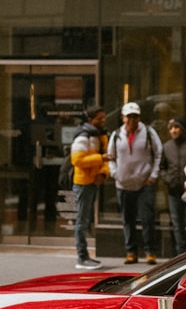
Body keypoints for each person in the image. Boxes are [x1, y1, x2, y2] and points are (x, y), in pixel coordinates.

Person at [108, 101, 163, 265]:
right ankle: (131, 251)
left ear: (139, 117)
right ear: (123, 117)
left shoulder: (148, 132)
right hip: (123, 184)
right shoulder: (116, 134)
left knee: (147, 219)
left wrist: (153, 176)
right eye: (129, 116)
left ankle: (150, 252)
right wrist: (115, 173)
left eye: (135, 116)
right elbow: (110, 156)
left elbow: (158, 154)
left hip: (144, 183)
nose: (132, 120)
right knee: (127, 219)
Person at [70, 105, 109, 270]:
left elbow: (104, 160)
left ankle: (85, 256)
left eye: (103, 117)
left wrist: (103, 174)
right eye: (99, 118)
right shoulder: (84, 136)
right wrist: (100, 158)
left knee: (85, 220)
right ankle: (82, 257)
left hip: (92, 181)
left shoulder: (99, 135)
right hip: (83, 183)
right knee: (82, 221)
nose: (103, 120)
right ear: (91, 119)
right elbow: (77, 160)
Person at [160, 117, 186, 255]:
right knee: (178, 224)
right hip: (174, 191)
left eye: (176, 127)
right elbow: (162, 168)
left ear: (183, 128)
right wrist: (167, 179)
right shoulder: (166, 146)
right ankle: (181, 253)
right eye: (171, 128)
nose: (173, 130)